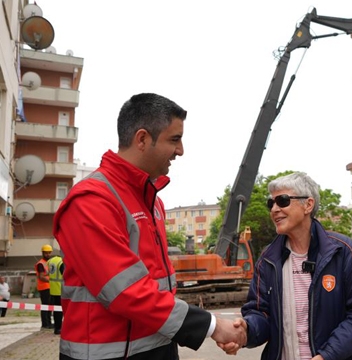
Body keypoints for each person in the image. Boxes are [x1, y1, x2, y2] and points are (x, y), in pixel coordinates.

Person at [52, 93, 245, 360]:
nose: (181, 151)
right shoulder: (92, 200)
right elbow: (126, 291)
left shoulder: (152, 202)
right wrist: (210, 326)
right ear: (142, 139)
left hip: (158, 347)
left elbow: (156, 286)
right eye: (174, 140)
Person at [224, 172, 352, 359]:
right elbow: (260, 313)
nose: (274, 209)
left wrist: (326, 356)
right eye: (270, 203)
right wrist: (245, 331)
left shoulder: (344, 251)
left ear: (308, 205)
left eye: (282, 201)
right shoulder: (267, 259)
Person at [35, 244, 52, 329]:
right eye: (46, 253)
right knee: (45, 305)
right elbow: (41, 277)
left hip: (49, 287)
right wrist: (52, 281)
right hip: (44, 287)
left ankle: (49, 322)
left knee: (49, 305)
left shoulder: (47, 263)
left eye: (49, 253)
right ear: (43, 253)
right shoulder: (41, 264)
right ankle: (45, 324)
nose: (48, 254)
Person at [47, 253, 64, 334]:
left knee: (56, 310)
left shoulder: (51, 261)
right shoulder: (61, 262)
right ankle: (58, 328)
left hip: (52, 289)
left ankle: (57, 327)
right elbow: (65, 274)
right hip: (60, 289)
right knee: (60, 311)